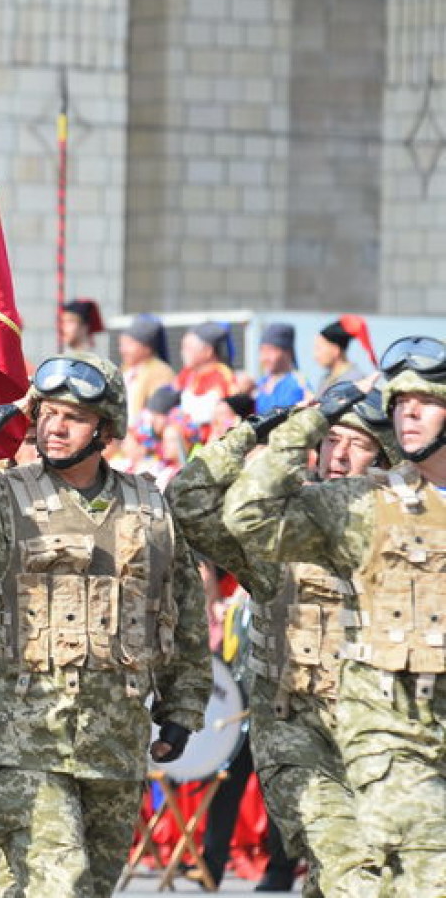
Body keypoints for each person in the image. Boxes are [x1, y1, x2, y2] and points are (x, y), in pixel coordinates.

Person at [0, 352, 211, 898]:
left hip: (112, 746)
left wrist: (181, 709)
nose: (55, 426)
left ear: (106, 429)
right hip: (18, 743)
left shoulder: (148, 506)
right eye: (45, 413)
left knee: (80, 889)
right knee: (58, 885)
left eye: (73, 416)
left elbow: (180, 609)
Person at [224, 336, 446, 896]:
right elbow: (249, 514)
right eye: (400, 401)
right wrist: (309, 420)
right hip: (388, 740)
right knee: (393, 875)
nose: (410, 412)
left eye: (426, 400)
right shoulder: (365, 505)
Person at [169, 391, 393, 895]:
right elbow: (189, 499)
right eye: (331, 439)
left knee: (351, 873)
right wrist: (263, 429)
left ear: (385, 457)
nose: (339, 454)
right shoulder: (279, 530)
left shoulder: (405, 535)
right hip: (299, 740)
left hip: (379, 743)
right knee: (348, 866)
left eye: (357, 445)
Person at [176, 322, 236, 440]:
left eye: (188, 348)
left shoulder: (223, 376)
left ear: (208, 351)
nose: (183, 353)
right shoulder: (187, 374)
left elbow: (228, 416)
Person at [117, 313, 175, 426]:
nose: (122, 350)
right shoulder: (124, 369)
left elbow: (157, 410)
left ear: (147, 348)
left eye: (129, 344)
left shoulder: (161, 371)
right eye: (121, 344)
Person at [313, 315, 377, 394]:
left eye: (319, 348)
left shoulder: (356, 381)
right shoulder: (325, 379)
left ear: (335, 350)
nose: (315, 356)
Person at [254, 323, 308, 415]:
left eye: (271, 350)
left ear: (288, 352)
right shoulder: (260, 384)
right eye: (262, 351)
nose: (265, 357)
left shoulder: (299, 384)